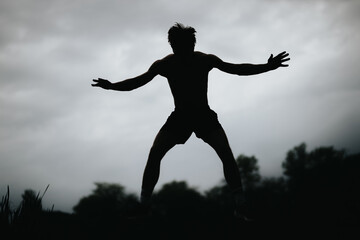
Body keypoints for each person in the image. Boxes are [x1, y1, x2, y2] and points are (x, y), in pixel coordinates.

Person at [92, 23, 290, 220]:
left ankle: (240, 205)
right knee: (156, 152)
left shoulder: (204, 60)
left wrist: (267, 67)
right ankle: (144, 205)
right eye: (180, 47)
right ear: (173, 47)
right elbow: (138, 82)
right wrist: (112, 86)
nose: (185, 51)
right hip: (181, 117)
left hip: (203, 115)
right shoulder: (165, 64)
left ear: (192, 45)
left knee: (225, 153)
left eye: (188, 47)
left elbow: (236, 69)